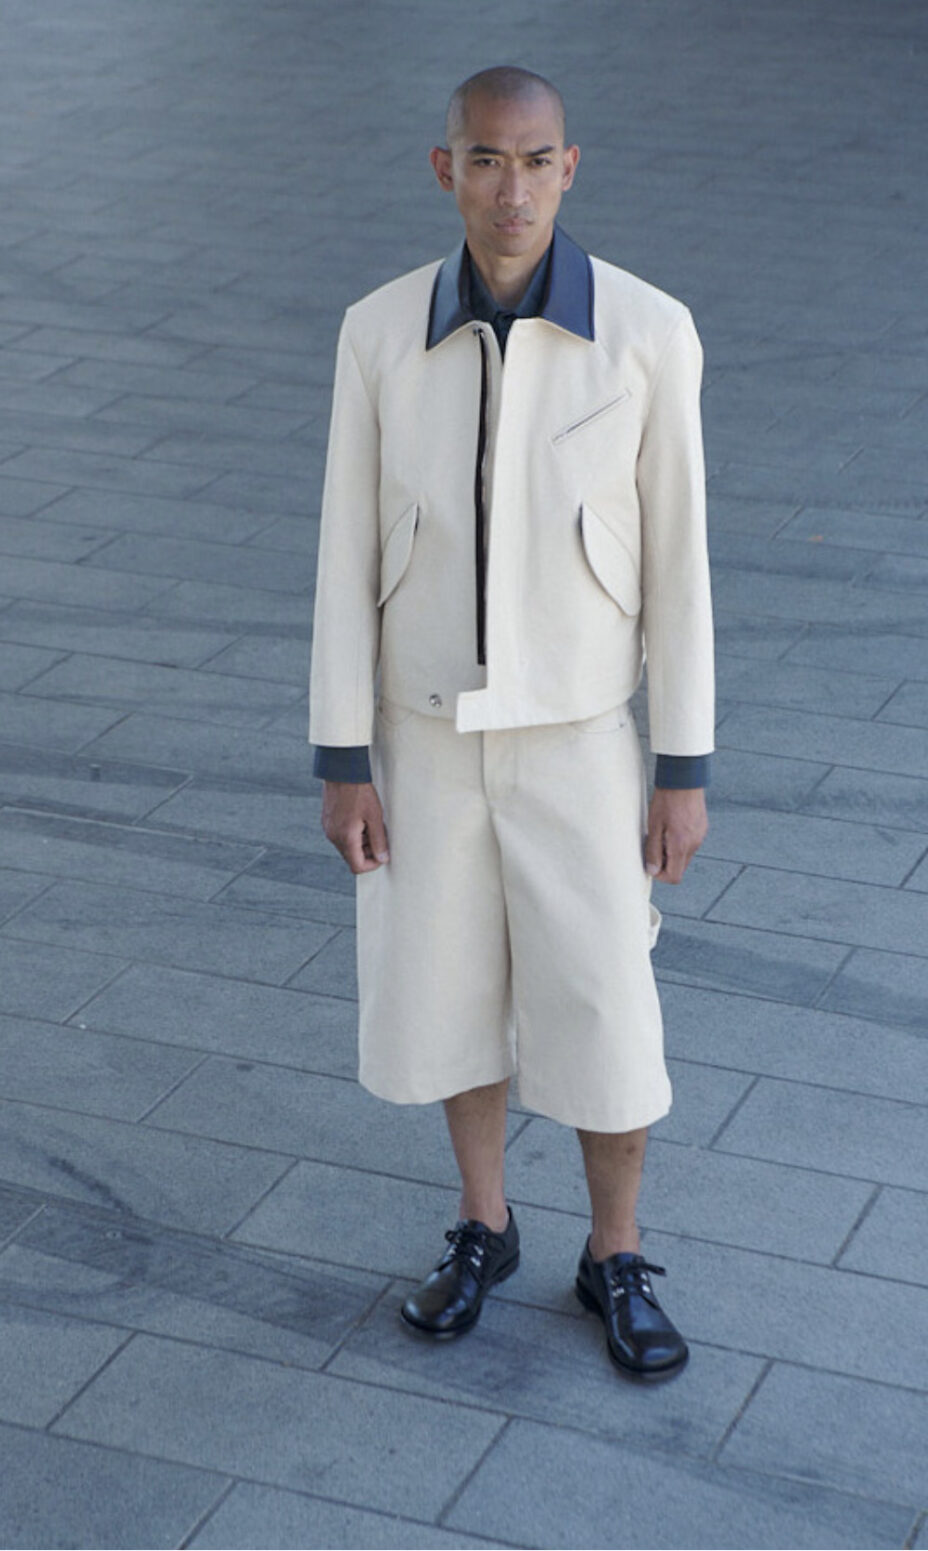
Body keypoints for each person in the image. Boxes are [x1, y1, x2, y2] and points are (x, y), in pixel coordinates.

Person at [309, 65, 713, 1382]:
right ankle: (484, 1224)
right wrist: (343, 756)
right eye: (486, 159)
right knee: (448, 996)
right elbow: (343, 553)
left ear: (570, 168)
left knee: (605, 1005)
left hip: (580, 739)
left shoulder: (646, 332)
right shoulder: (379, 332)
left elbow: (681, 567)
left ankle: (616, 1253)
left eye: (537, 161)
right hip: (423, 737)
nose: (512, 188)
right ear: (447, 171)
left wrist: (681, 767)